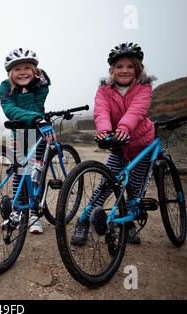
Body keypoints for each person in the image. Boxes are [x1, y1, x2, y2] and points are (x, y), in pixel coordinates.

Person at [71, 42, 156, 245]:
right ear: (112, 70)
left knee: (135, 190)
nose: (124, 70)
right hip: (119, 145)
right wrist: (104, 133)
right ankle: (83, 222)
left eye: (130, 66)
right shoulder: (104, 90)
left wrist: (123, 129)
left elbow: (137, 110)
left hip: (141, 145)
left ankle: (128, 223)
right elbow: (101, 112)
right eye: (119, 67)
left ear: (138, 69)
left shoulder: (144, 87)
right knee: (105, 185)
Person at [0, 48, 56, 234]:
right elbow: (11, 111)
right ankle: (18, 211)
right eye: (17, 69)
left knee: (36, 175)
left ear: (34, 70)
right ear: (10, 73)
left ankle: (34, 216)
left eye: (26, 68)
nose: (22, 72)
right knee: (20, 172)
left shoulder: (42, 85)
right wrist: (23, 93)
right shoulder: (4, 87)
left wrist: (27, 92)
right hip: (20, 134)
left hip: (38, 134)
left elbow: (37, 108)